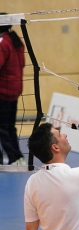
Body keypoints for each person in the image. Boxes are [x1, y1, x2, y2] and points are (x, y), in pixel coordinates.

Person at [0, 12, 26, 165]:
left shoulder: (3, 42)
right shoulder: (16, 40)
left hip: (3, 91)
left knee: (3, 127)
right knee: (9, 126)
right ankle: (17, 156)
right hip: (14, 89)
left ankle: (14, 158)